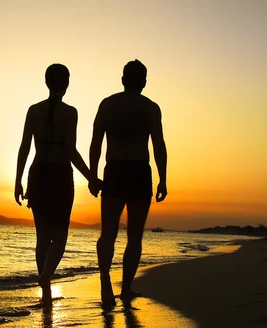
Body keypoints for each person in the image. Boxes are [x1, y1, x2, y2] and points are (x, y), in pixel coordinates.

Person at [15, 64, 100, 306]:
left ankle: (46, 293)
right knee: (60, 235)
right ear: (66, 84)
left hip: (39, 173)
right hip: (60, 176)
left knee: (42, 238)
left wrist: (17, 181)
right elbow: (70, 151)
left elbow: (24, 147)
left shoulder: (33, 111)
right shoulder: (70, 113)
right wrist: (91, 177)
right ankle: (46, 276)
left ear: (46, 82)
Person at [89, 60, 168, 307]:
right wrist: (163, 179)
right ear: (144, 82)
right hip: (138, 172)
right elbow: (158, 145)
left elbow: (95, 143)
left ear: (123, 80)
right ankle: (125, 290)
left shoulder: (108, 104)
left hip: (114, 170)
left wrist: (93, 175)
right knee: (134, 237)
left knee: (108, 234)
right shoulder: (151, 108)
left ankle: (104, 280)